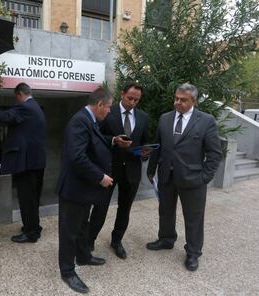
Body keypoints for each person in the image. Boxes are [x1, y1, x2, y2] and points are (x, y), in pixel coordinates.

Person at [147, 83, 222, 271]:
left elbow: (214, 153)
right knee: (165, 211)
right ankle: (166, 239)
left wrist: (205, 177)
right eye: (176, 98)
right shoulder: (165, 119)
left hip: (193, 179)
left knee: (194, 217)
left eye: (183, 100)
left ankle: (193, 252)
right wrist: (151, 169)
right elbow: (158, 146)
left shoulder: (206, 121)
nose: (177, 103)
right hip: (166, 176)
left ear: (194, 101)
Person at [0, 83, 46, 243]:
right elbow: (8, 113)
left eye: (15, 98)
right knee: (32, 198)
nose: (16, 102)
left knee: (26, 198)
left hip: (27, 163)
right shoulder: (34, 107)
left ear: (19, 94)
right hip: (36, 162)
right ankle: (34, 227)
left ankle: (31, 233)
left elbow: (5, 117)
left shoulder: (26, 107)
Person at [57, 87, 114, 294]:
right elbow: (77, 157)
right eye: (108, 107)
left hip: (83, 189)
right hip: (74, 189)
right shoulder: (80, 121)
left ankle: (83, 256)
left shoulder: (89, 120)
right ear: (99, 105)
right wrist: (100, 177)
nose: (109, 111)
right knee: (69, 232)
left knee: (82, 226)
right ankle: (67, 271)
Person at [89, 82, 150, 259]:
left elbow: (145, 141)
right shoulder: (108, 111)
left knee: (125, 209)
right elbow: (96, 137)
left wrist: (145, 153)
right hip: (109, 169)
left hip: (132, 171)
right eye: (130, 98)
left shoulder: (143, 117)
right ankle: (89, 240)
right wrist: (114, 140)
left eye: (136, 100)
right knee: (100, 207)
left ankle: (116, 241)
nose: (132, 102)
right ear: (122, 94)